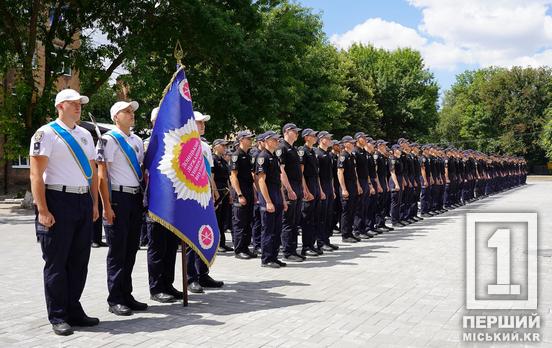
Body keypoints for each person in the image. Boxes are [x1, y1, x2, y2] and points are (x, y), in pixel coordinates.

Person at [30, 89, 99, 335]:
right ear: (60, 106)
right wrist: (42, 209)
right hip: (57, 199)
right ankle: (58, 315)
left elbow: (91, 172)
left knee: (79, 260)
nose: (78, 106)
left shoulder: (85, 135)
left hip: (81, 199)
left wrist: (94, 203)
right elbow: (36, 175)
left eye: (80, 103)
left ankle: (74, 308)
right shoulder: (46, 133)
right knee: (57, 261)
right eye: (73, 103)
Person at [97, 101, 147, 316]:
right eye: (126, 111)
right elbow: (102, 175)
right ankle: (115, 298)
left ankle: (127, 294)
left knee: (131, 249)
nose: (131, 114)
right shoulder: (108, 140)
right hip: (117, 196)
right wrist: (106, 205)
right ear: (115, 116)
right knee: (117, 251)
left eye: (132, 111)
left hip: (135, 197)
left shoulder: (136, 140)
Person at [146, 107, 183, 304]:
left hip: (172, 205)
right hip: (156, 204)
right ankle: (157, 287)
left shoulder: (174, 144)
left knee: (170, 248)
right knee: (157, 248)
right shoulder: (150, 144)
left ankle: (168, 284)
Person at [186, 111, 223, 293]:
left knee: (205, 235)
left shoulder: (205, 146)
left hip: (206, 195)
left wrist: (214, 191)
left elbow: (209, 172)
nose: (203, 126)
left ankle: (203, 273)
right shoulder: (185, 145)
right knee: (193, 238)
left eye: (203, 123)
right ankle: (190, 277)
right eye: (199, 123)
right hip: (193, 196)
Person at [256, 131, 288, 268]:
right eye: (274, 140)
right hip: (268, 196)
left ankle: (274, 256)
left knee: (277, 229)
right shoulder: (262, 157)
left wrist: (283, 200)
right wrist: (268, 201)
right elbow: (261, 181)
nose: (277, 142)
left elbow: (278, 183)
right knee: (268, 230)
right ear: (267, 141)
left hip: (276, 195)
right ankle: (267, 258)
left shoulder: (274, 157)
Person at [277, 123, 305, 262]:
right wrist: (289, 189)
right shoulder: (282, 148)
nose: (297, 134)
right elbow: (282, 172)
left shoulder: (293, 149)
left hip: (297, 186)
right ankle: (287, 251)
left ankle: (293, 249)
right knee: (288, 221)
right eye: (295, 131)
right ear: (287, 132)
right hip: (290, 187)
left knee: (295, 221)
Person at [230, 131, 257, 259]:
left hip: (249, 190)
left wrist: (254, 193)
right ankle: (239, 250)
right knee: (240, 223)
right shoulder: (236, 155)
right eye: (248, 138)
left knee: (247, 222)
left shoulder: (248, 155)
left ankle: (245, 248)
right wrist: (239, 194)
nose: (250, 140)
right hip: (240, 191)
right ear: (241, 140)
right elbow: (233, 176)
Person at [298, 128, 324, 256]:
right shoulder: (302, 151)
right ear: (307, 137)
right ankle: (306, 247)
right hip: (307, 185)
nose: (315, 137)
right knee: (307, 219)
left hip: (314, 185)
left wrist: (320, 190)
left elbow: (317, 174)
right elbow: (301, 173)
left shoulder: (312, 151)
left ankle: (311, 244)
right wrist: (305, 190)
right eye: (313, 135)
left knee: (314, 217)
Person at [314, 131, 339, 251]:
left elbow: (331, 174)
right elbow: (316, 175)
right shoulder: (317, 154)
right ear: (321, 139)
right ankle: (320, 242)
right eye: (327, 138)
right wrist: (320, 190)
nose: (330, 140)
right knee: (322, 216)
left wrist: (333, 188)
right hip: (322, 186)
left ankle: (326, 240)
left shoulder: (328, 154)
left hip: (329, 185)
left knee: (329, 215)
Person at [337, 136, 362, 243]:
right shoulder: (343, 155)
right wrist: (343, 189)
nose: (353, 144)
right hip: (346, 185)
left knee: (352, 209)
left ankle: (350, 232)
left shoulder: (351, 156)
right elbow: (340, 173)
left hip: (352, 185)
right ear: (346, 144)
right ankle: (345, 235)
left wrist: (358, 185)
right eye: (351, 142)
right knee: (346, 211)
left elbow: (355, 172)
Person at [212, 138, 234, 252]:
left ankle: (222, 242)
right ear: (215, 146)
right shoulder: (213, 159)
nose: (225, 147)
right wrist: (215, 194)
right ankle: (216, 244)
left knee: (223, 218)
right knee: (217, 217)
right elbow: (212, 177)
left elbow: (228, 179)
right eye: (222, 145)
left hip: (225, 190)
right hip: (218, 190)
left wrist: (230, 193)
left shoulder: (224, 161)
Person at [250, 133, 266, 254]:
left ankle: (261, 243)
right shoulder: (256, 154)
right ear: (260, 142)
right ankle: (257, 244)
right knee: (257, 220)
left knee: (261, 220)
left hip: (261, 189)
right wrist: (257, 191)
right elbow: (254, 174)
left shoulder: (263, 155)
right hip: (257, 189)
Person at [389, 144, 404, 228]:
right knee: (395, 202)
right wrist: (397, 184)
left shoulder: (399, 159)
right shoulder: (392, 159)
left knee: (398, 201)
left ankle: (398, 219)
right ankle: (394, 221)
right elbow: (392, 173)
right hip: (394, 181)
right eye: (399, 149)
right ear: (394, 150)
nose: (400, 151)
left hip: (399, 179)